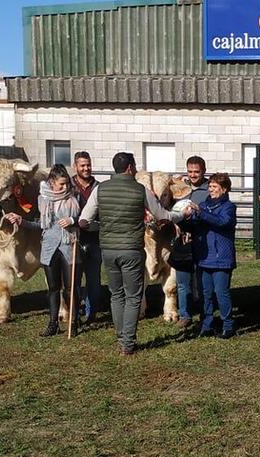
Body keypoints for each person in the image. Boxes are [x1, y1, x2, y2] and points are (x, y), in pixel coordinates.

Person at [78, 151, 187, 355]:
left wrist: (103, 227)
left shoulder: (100, 189)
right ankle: (127, 342)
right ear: (129, 168)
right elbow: (162, 215)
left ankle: (121, 336)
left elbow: (83, 222)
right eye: (134, 166)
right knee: (133, 296)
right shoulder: (140, 190)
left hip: (108, 250)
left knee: (116, 294)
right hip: (131, 249)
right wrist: (182, 214)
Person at [5, 164, 80, 337]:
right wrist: (21, 221)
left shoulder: (74, 197)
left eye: (66, 183)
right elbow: (41, 224)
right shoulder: (43, 199)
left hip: (69, 245)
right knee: (53, 288)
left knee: (70, 288)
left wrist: (72, 220)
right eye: (61, 184)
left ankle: (73, 321)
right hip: (49, 248)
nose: (65, 187)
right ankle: (53, 323)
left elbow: (85, 218)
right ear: (52, 182)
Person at [187, 173, 238, 338]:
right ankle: (206, 324)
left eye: (215, 187)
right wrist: (185, 218)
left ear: (224, 189)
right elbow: (194, 224)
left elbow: (223, 222)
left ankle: (227, 325)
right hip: (204, 257)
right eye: (210, 186)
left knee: (221, 292)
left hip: (221, 257)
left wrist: (201, 213)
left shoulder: (229, 207)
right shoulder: (203, 205)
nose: (211, 190)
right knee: (205, 293)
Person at [170, 155, 210, 332]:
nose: (193, 175)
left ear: (204, 171)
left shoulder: (209, 189)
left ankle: (204, 314)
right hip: (182, 240)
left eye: (197, 172)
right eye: (190, 171)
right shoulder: (180, 188)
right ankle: (185, 315)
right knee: (182, 280)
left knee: (202, 280)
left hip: (202, 239)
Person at [70, 151, 103, 325]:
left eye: (88, 165)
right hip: (74, 238)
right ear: (75, 166)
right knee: (73, 279)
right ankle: (74, 313)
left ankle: (92, 313)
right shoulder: (68, 186)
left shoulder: (98, 187)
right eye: (82, 165)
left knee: (94, 279)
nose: (86, 168)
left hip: (94, 238)